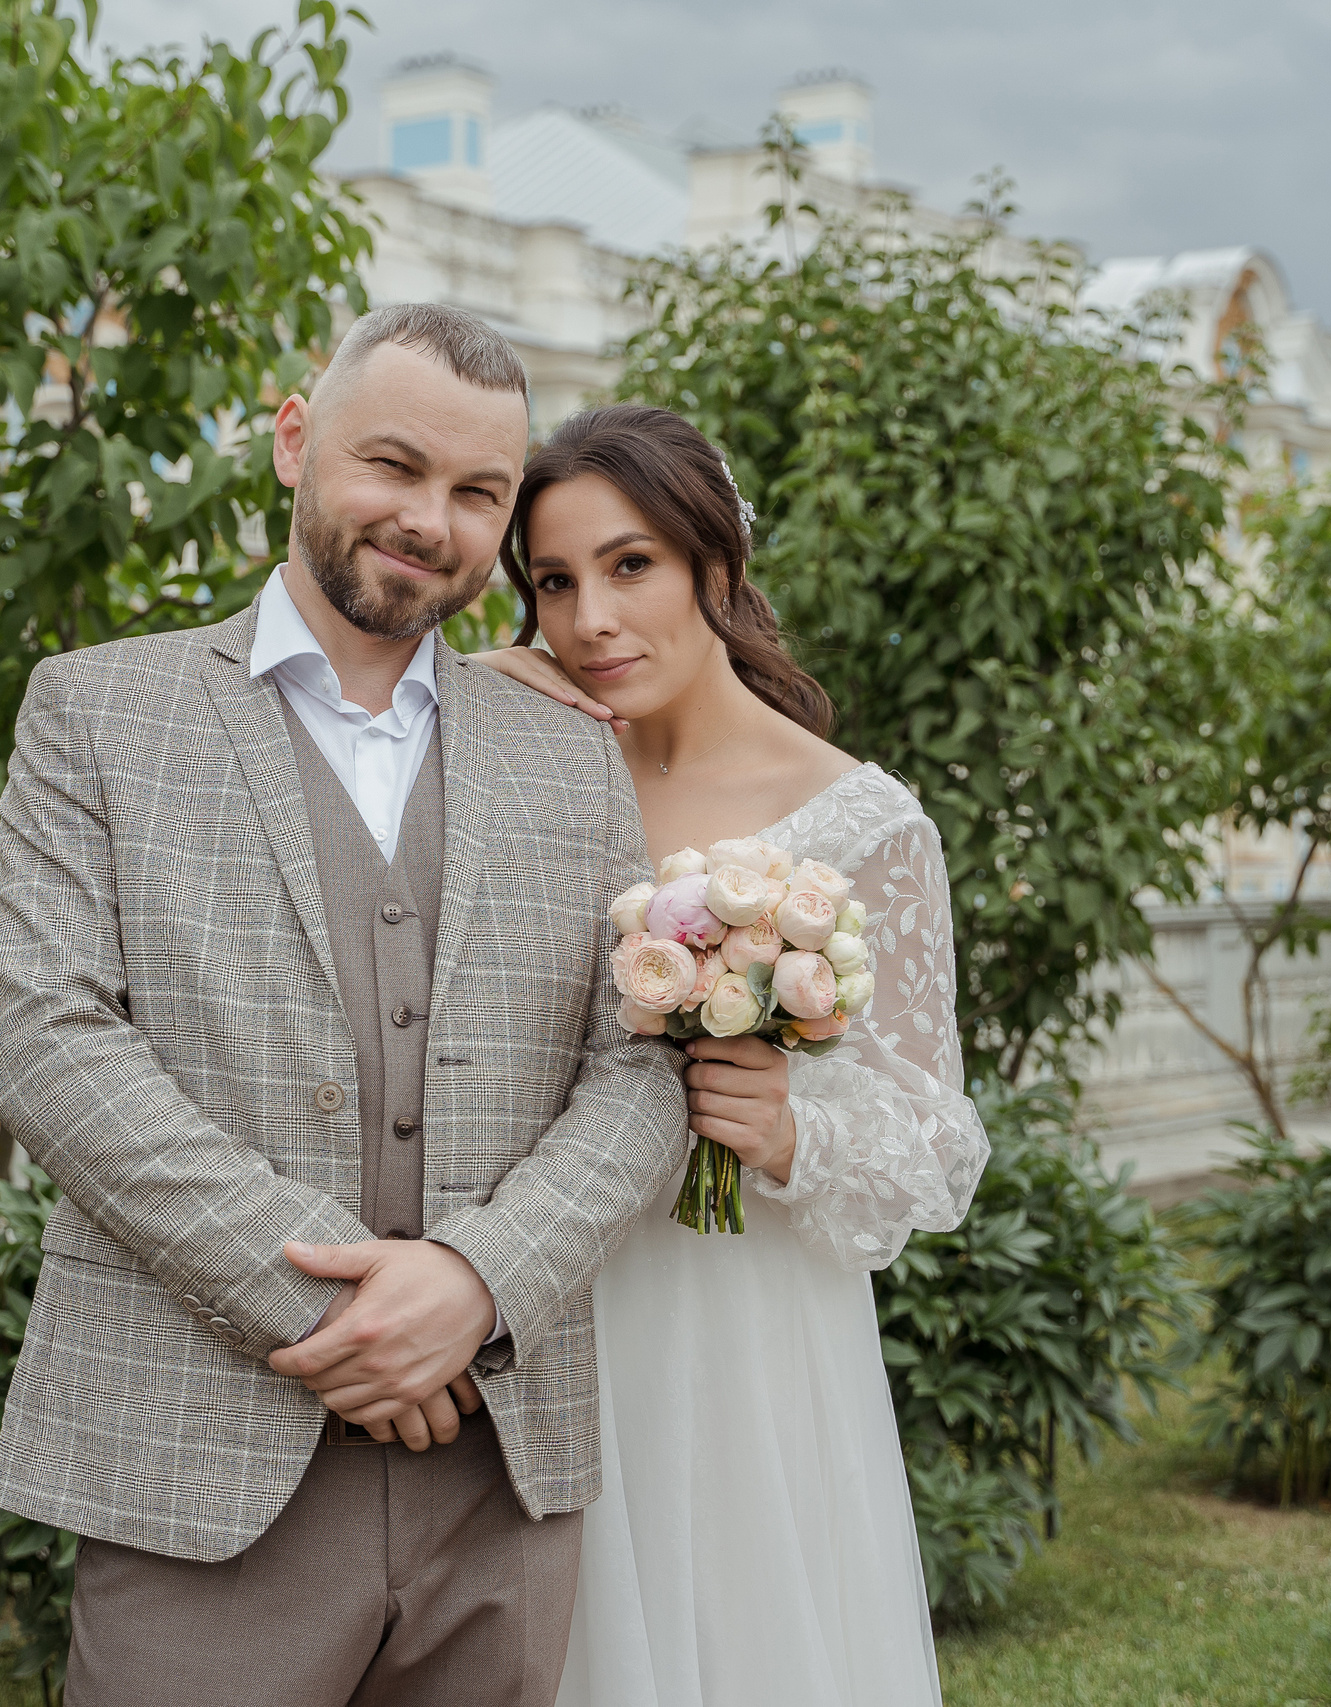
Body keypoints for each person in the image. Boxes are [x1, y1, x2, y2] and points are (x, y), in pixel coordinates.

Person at [0, 307, 690, 1707]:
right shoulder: (98, 711)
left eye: (478, 491)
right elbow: (52, 1048)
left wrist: (477, 1283)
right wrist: (345, 1317)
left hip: (501, 1465)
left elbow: (639, 1073)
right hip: (198, 1455)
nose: (431, 520)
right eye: (394, 465)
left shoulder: (572, 754)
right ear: (295, 441)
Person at [477, 403, 992, 1707]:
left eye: (631, 564)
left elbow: (938, 1147)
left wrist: (794, 1128)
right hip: (539, 1294)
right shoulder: (532, 765)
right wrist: (471, 692)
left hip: (738, 1323)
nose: (590, 619)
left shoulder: (863, 821)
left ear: (716, 560)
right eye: (554, 581)